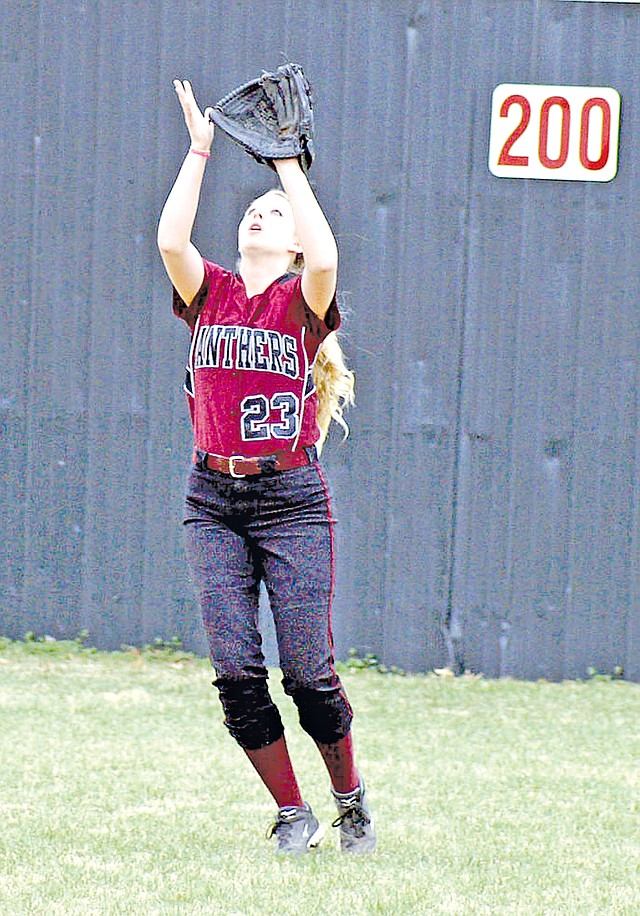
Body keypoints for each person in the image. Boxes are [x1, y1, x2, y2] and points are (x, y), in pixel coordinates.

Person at [157, 78, 376, 855]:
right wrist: (199, 149)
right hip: (211, 496)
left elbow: (328, 256)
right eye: (252, 208)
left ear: (291, 244)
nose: (259, 213)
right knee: (237, 672)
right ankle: (293, 812)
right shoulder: (209, 291)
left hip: (291, 499)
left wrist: (289, 168)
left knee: (308, 670)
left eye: (274, 214)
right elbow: (170, 243)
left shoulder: (299, 298)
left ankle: (349, 801)